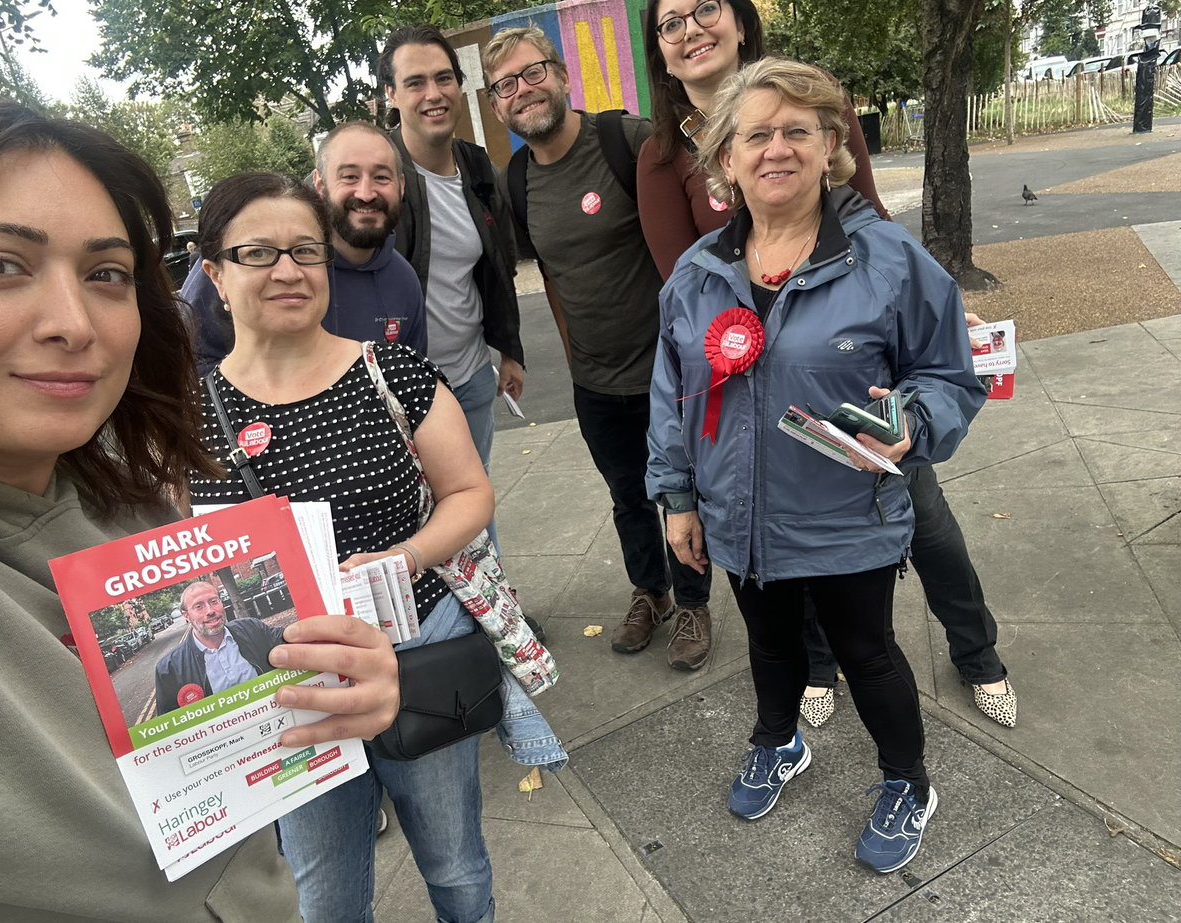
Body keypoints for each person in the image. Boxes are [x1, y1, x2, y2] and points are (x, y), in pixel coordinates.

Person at [0, 101, 398, 922]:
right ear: (217, 273)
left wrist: (340, 694)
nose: (71, 323)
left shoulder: (136, 504)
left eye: (106, 274)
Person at [188, 170, 565, 923]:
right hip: (288, 688)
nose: (289, 270)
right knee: (323, 894)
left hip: (416, 648)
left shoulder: (390, 372)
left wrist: (409, 556)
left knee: (456, 864)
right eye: (258, 252)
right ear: (215, 275)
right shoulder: (190, 418)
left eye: (305, 250)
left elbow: (470, 494)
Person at [646, 59, 987, 873]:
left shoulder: (889, 261)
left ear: (831, 144)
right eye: (756, 134)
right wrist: (677, 497)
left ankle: (908, 782)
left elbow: (948, 376)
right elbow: (672, 391)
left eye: (797, 130)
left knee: (867, 654)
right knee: (769, 645)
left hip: (846, 516)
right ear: (726, 157)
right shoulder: (697, 274)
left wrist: (915, 420)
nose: (776, 149)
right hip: (736, 513)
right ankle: (779, 739)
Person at [483, 26, 713, 671]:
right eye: (506, 86)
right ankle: (653, 593)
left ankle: (694, 602)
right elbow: (552, 276)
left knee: (683, 493)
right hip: (595, 380)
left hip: (665, 372)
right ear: (498, 106)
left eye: (533, 74)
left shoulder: (626, 141)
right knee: (626, 495)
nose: (523, 91)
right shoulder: (517, 180)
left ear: (560, 75)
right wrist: (573, 353)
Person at [638, 0, 890, 281]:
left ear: (741, 26)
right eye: (672, 24)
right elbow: (689, 294)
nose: (692, 30)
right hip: (741, 322)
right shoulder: (661, 155)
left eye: (706, 9)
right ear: (662, 57)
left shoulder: (815, 94)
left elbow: (872, 213)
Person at [379, 25, 525, 471]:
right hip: (394, 394)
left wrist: (510, 350)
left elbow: (498, 268)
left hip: (470, 377)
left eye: (444, 78)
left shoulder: (478, 167)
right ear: (391, 94)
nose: (434, 93)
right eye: (415, 82)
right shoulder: (371, 176)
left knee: (474, 515)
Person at [181, 126, 426, 375]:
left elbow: (409, 379)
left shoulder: (404, 282)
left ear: (401, 186)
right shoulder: (242, 264)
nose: (365, 194)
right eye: (349, 176)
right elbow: (184, 368)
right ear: (319, 183)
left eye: (382, 177)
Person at [154, 580, 286, 715]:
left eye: (214, 601)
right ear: (186, 615)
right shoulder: (169, 669)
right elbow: (170, 725)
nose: (210, 611)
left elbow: (288, 640)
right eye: (199, 606)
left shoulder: (252, 628)